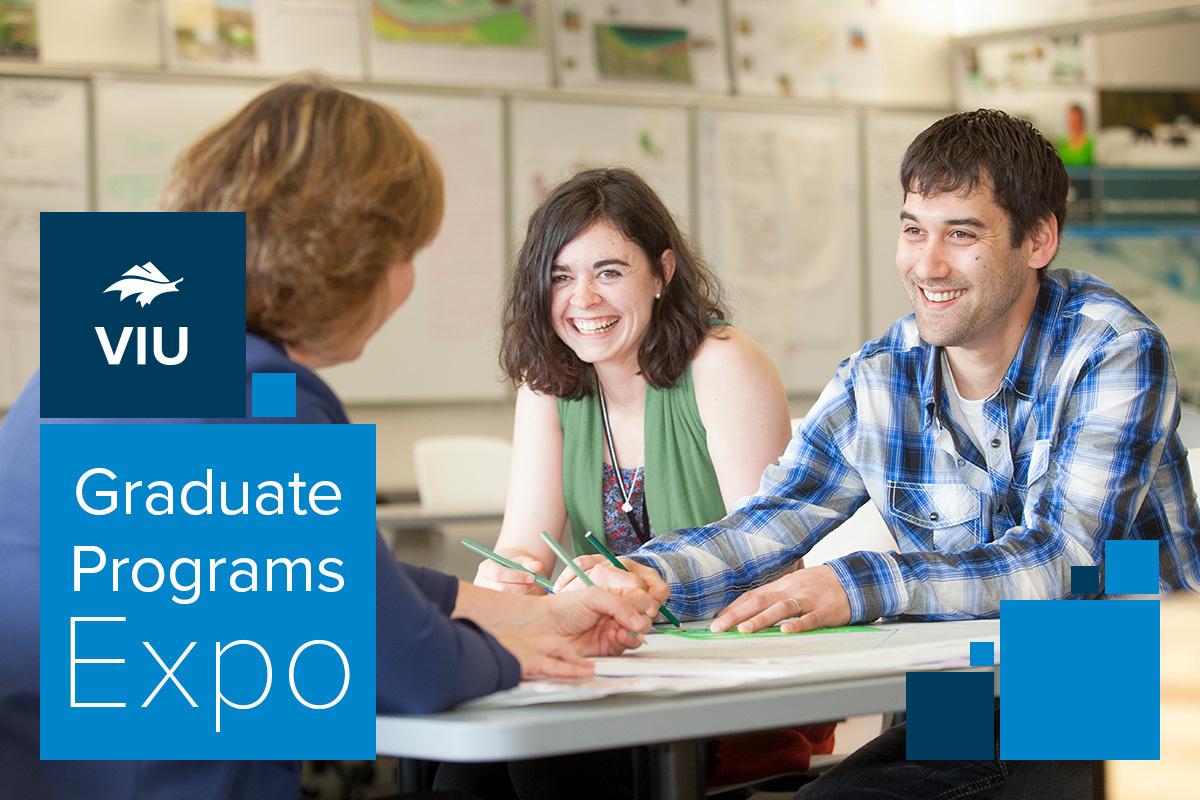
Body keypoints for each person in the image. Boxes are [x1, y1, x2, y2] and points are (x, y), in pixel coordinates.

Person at [0, 78, 661, 800]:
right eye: (407, 252)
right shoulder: (256, 392)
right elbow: (407, 666)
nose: (405, 281)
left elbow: (339, 580)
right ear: (350, 257)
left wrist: (534, 615)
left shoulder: (104, 341)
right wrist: (510, 653)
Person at [563, 109, 1200, 799]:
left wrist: (855, 584)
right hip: (964, 693)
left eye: (962, 234)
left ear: (1038, 239)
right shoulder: (881, 374)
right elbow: (773, 518)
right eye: (913, 230)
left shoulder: (1112, 350)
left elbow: (1063, 562)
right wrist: (646, 576)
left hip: (1117, 693)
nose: (927, 264)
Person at [445, 168, 832, 796]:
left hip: (735, 678)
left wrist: (644, 583)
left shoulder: (721, 362)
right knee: (467, 762)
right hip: (616, 667)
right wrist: (508, 575)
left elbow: (772, 557)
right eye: (560, 276)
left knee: (547, 762)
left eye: (609, 272)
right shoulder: (549, 382)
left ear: (662, 273)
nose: (583, 299)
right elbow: (523, 545)